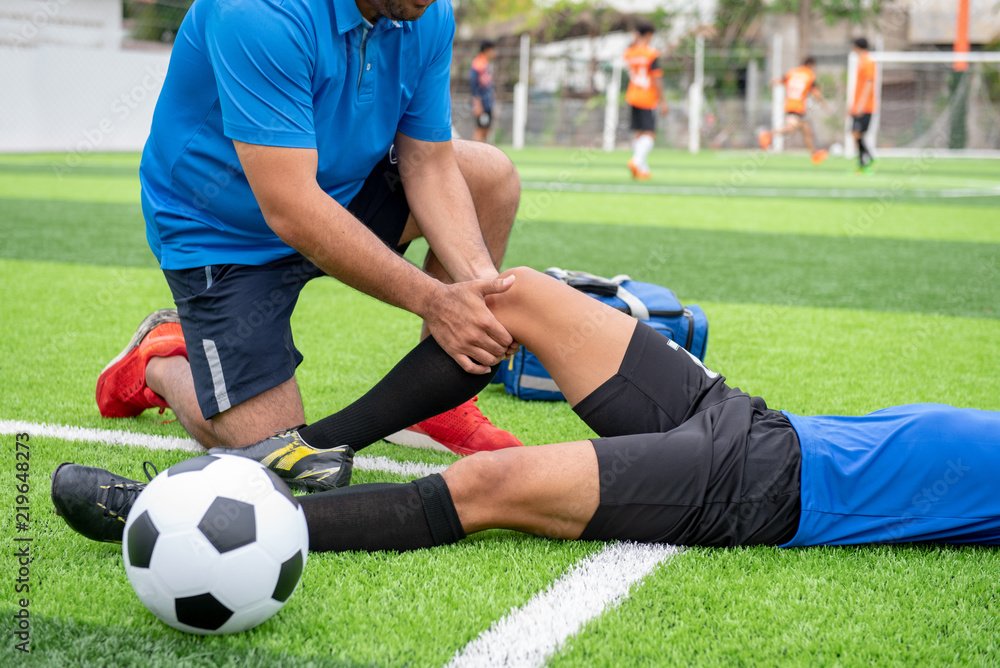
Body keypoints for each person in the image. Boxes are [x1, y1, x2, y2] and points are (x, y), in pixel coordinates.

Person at [55, 267, 1000, 549]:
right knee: (516, 296)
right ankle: (304, 449)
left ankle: (166, 517)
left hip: (766, 490)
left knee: (492, 482)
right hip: (760, 425)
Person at [96, 0, 525, 487]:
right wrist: (435, 301)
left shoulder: (425, 12)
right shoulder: (256, 10)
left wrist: (480, 292)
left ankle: (435, 406)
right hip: (222, 232)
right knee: (276, 451)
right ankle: (161, 359)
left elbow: (427, 161)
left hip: (340, 190)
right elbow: (292, 207)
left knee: (489, 176)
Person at [759, 57, 829, 165]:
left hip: (790, 104)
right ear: (811, 65)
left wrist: (772, 83)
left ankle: (814, 155)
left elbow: (779, 80)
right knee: (791, 129)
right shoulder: (809, 75)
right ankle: (768, 134)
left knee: (807, 130)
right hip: (798, 106)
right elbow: (816, 93)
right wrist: (824, 105)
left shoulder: (793, 72)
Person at [624, 23, 668, 180]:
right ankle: (636, 161)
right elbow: (657, 79)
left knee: (639, 133)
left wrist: (635, 40)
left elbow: (629, 52)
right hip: (647, 97)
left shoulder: (630, 52)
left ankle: (642, 169)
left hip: (632, 95)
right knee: (649, 134)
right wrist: (663, 101)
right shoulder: (651, 54)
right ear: (649, 34)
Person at [850, 37, 877, 173]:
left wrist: (861, 104)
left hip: (866, 106)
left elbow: (869, 83)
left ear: (857, 47)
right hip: (859, 106)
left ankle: (865, 161)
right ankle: (866, 160)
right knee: (856, 134)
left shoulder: (867, 61)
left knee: (857, 133)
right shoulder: (861, 61)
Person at [470, 41, 497, 143]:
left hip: (487, 103)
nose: (495, 53)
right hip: (481, 103)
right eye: (493, 50)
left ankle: (483, 154)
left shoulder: (486, 64)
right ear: (487, 50)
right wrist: (477, 103)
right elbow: (474, 85)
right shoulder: (478, 64)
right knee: (480, 129)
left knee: (486, 129)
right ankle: (473, 154)